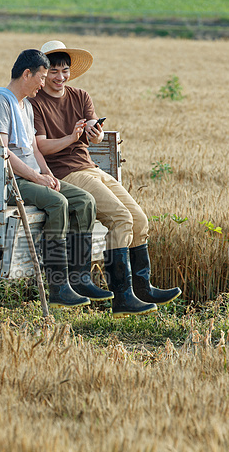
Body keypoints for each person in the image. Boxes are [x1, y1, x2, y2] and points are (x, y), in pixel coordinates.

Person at [29, 40, 182, 318]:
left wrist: (94, 134)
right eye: (53, 71)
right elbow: (41, 147)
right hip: (64, 173)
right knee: (120, 219)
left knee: (139, 220)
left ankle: (142, 287)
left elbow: (93, 133)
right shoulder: (35, 103)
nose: (60, 77)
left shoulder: (81, 96)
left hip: (89, 167)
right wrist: (71, 138)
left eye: (65, 70)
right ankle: (122, 297)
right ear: (43, 71)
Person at [0, 48, 113, 309]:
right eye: (42, 77)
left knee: (85, 201)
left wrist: (47, 174)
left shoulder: (24, 105)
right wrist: (36, 176)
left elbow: (33, 149)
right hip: (9, 180)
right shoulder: (1, 101)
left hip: (32, 176)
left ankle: (79, 277)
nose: (44, 83)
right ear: (26, 74)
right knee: (58, 203)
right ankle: (58, 286)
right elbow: (2, 151)